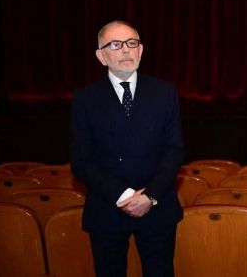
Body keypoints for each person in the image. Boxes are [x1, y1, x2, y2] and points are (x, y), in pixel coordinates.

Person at [70, 20, 185, 277]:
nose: (125, 50)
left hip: (156, 206)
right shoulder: (84, 99)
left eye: (131, 43)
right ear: (101, 56)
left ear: (140, 50)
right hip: (107, 208)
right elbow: (81, 160)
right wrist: (123, 195)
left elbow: (174, 150)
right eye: (115, 44)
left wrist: (149, 196)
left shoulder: (164, 92)